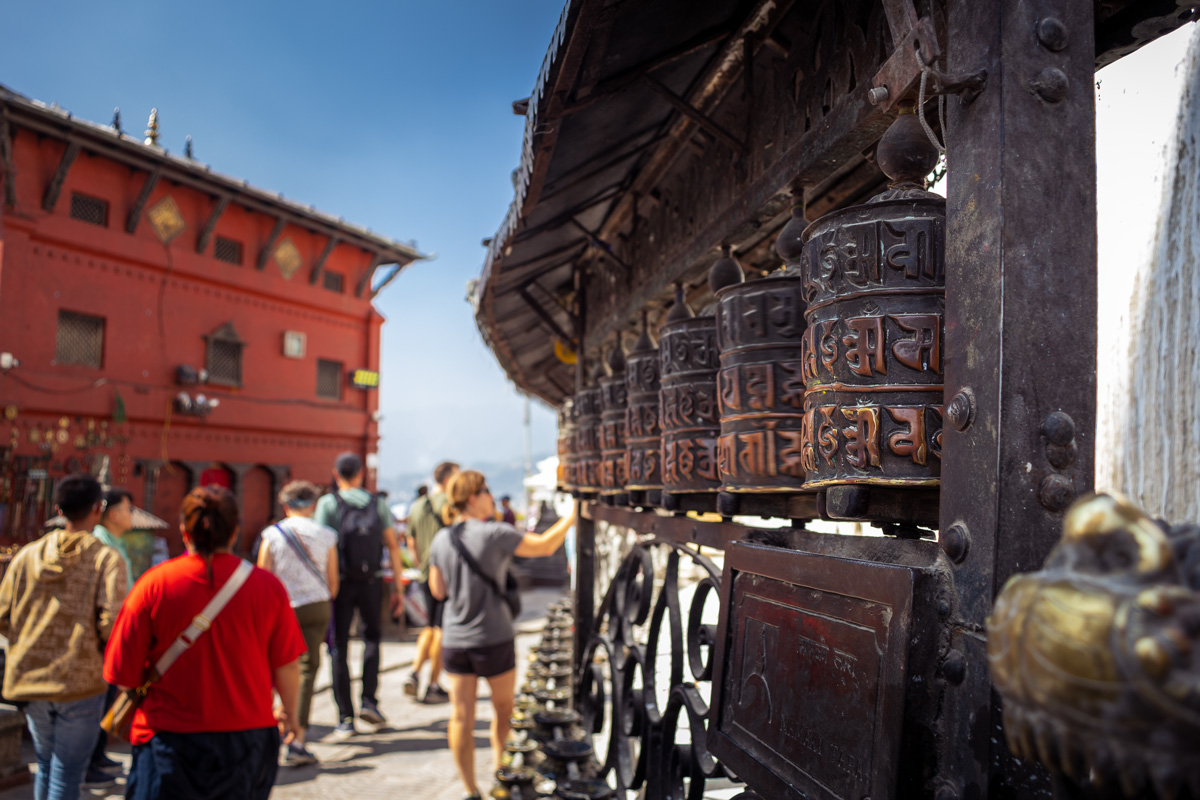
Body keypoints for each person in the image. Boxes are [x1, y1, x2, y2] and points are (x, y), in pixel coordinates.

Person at [104, 486, 306, 800]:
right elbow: (287, 664)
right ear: (235, 531)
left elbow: (122, 672)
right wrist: (290, 714)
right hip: (246, 735)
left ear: (185, 531)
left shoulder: (153, 586)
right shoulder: (268, 588)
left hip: (168, 738)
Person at [429, 470, 576, 800]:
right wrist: (572, 517)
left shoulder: (442, 538)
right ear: (473, 497)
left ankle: (469, 789)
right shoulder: (494, 533)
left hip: (456, 638)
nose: (491, 496)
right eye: (486, 490)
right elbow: (544, 545)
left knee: (461, 716)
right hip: (493, 635)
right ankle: (503, 778)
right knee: (503, 711)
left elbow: (438, 591)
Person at [0, 474, 127, 800]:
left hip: (31, 676)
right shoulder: (105, 558)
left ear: (59, 509)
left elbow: (3, 615)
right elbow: (112, 622)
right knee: (66, 773)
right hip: (80, 680)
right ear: (98, 509)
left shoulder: (27, 556)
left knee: (46, 764)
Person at [313, 452, 403, 737]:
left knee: (338, 646)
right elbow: (393, 545)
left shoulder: (329, 503)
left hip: (339, 583)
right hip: (372, 580)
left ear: (337, 474)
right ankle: (370, 702)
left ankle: (345, 717)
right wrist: (398, 586)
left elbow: (320, 547)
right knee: (372, 639)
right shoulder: (378, 503)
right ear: (361, 474)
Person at [256, 480, 339, 766]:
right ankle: (297, 738)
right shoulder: (326, 535)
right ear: (313, 505)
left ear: (285, 505)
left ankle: (268, 725)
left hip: (279, 607)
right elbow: (334, 584)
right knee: (306, 671)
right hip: (316, 606)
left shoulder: (272, 534)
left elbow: (261, 576)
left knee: (271, 666)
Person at [87, 486, 137, 782]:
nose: (131, 515)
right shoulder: (101, 546)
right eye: (129, 509)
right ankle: (91, 762)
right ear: (114, 513)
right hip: (106, 635)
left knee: (106, 700)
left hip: (115, 631)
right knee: (97, 701)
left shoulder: (113, 543)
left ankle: (97, 755)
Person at [403, 460, 459, 703]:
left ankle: (415, 672)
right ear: (447, 480)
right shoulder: (450, 505)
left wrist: (420, 565)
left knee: (429, 626)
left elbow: (411, 542)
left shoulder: (417, 506)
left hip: (425, 573)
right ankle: (433, 684)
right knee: (440, 629)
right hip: (445, 574)